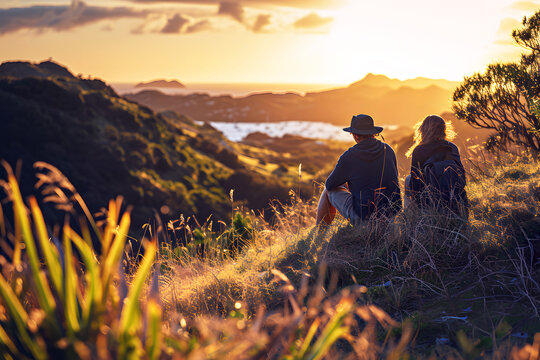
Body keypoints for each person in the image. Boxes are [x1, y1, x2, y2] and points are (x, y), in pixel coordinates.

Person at [316, 114, 402, 225]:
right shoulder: (388, 150)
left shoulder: (349, 156)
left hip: (365, 219)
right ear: (372, 132)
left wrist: (347, 184)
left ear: (356, 136)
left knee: (329, 191)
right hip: (392, 216)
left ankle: (319, 233)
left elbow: (329, 184)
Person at [404, 114, 468, 215]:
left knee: (408, 179)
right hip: (455, 202)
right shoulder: (452, 147)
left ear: (423, 130)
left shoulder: (419, 150)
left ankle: (409, 218)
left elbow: (415, 184)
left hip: (429, 203)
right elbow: (462, 179)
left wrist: (421, 205)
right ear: (444, 129)